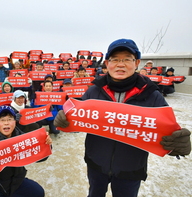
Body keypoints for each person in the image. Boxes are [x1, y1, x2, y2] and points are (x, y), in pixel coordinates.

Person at [54, 38, 191, 197]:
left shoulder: (152, 95)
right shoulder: (93, 92)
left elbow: (167, 129)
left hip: (131, 168)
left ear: (137, 62)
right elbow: (77, 121)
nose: (120, 64)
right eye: (115, 59)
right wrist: (64, 120)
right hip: (96, 164)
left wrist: (178, 144)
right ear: (107, 63)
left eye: (127, 59)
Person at [0, 105, 52, 197]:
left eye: (10, 119)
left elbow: (39, 158)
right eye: (2, 120)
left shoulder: (21, 138)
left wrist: (46, 144)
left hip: (16, 183)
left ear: (15, 122)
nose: (6, 123)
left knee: (38, 192)